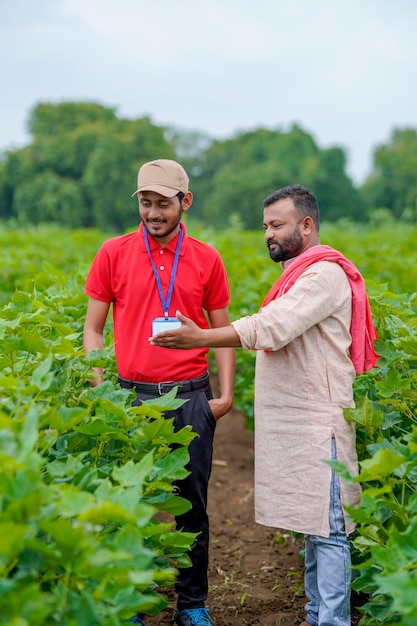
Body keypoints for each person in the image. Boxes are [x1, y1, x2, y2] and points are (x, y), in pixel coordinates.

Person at [150, 184, 379, 626]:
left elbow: (274, 326)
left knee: (330, 529)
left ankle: (331, 621)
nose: (268, 234)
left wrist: (200, 337)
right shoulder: (299, 272)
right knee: (315, 527)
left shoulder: (323, 275)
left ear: (307, 225)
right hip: (306, 419)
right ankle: (317, 615)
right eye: (265, 227)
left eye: (277, 225)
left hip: (322, 421)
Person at [83, 159, 235, 626]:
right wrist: (101, 387)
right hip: (130, 398)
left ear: (184, 202)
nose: (153, 212)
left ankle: (192, 604)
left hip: (190, 397)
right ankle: (135, 600)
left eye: (163, 204)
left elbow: (222, 329)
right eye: (146, 202)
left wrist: (224, 396)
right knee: (131, 505)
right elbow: (93, 329)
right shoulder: (113, 252)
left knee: (191, 507)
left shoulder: (207, 258)